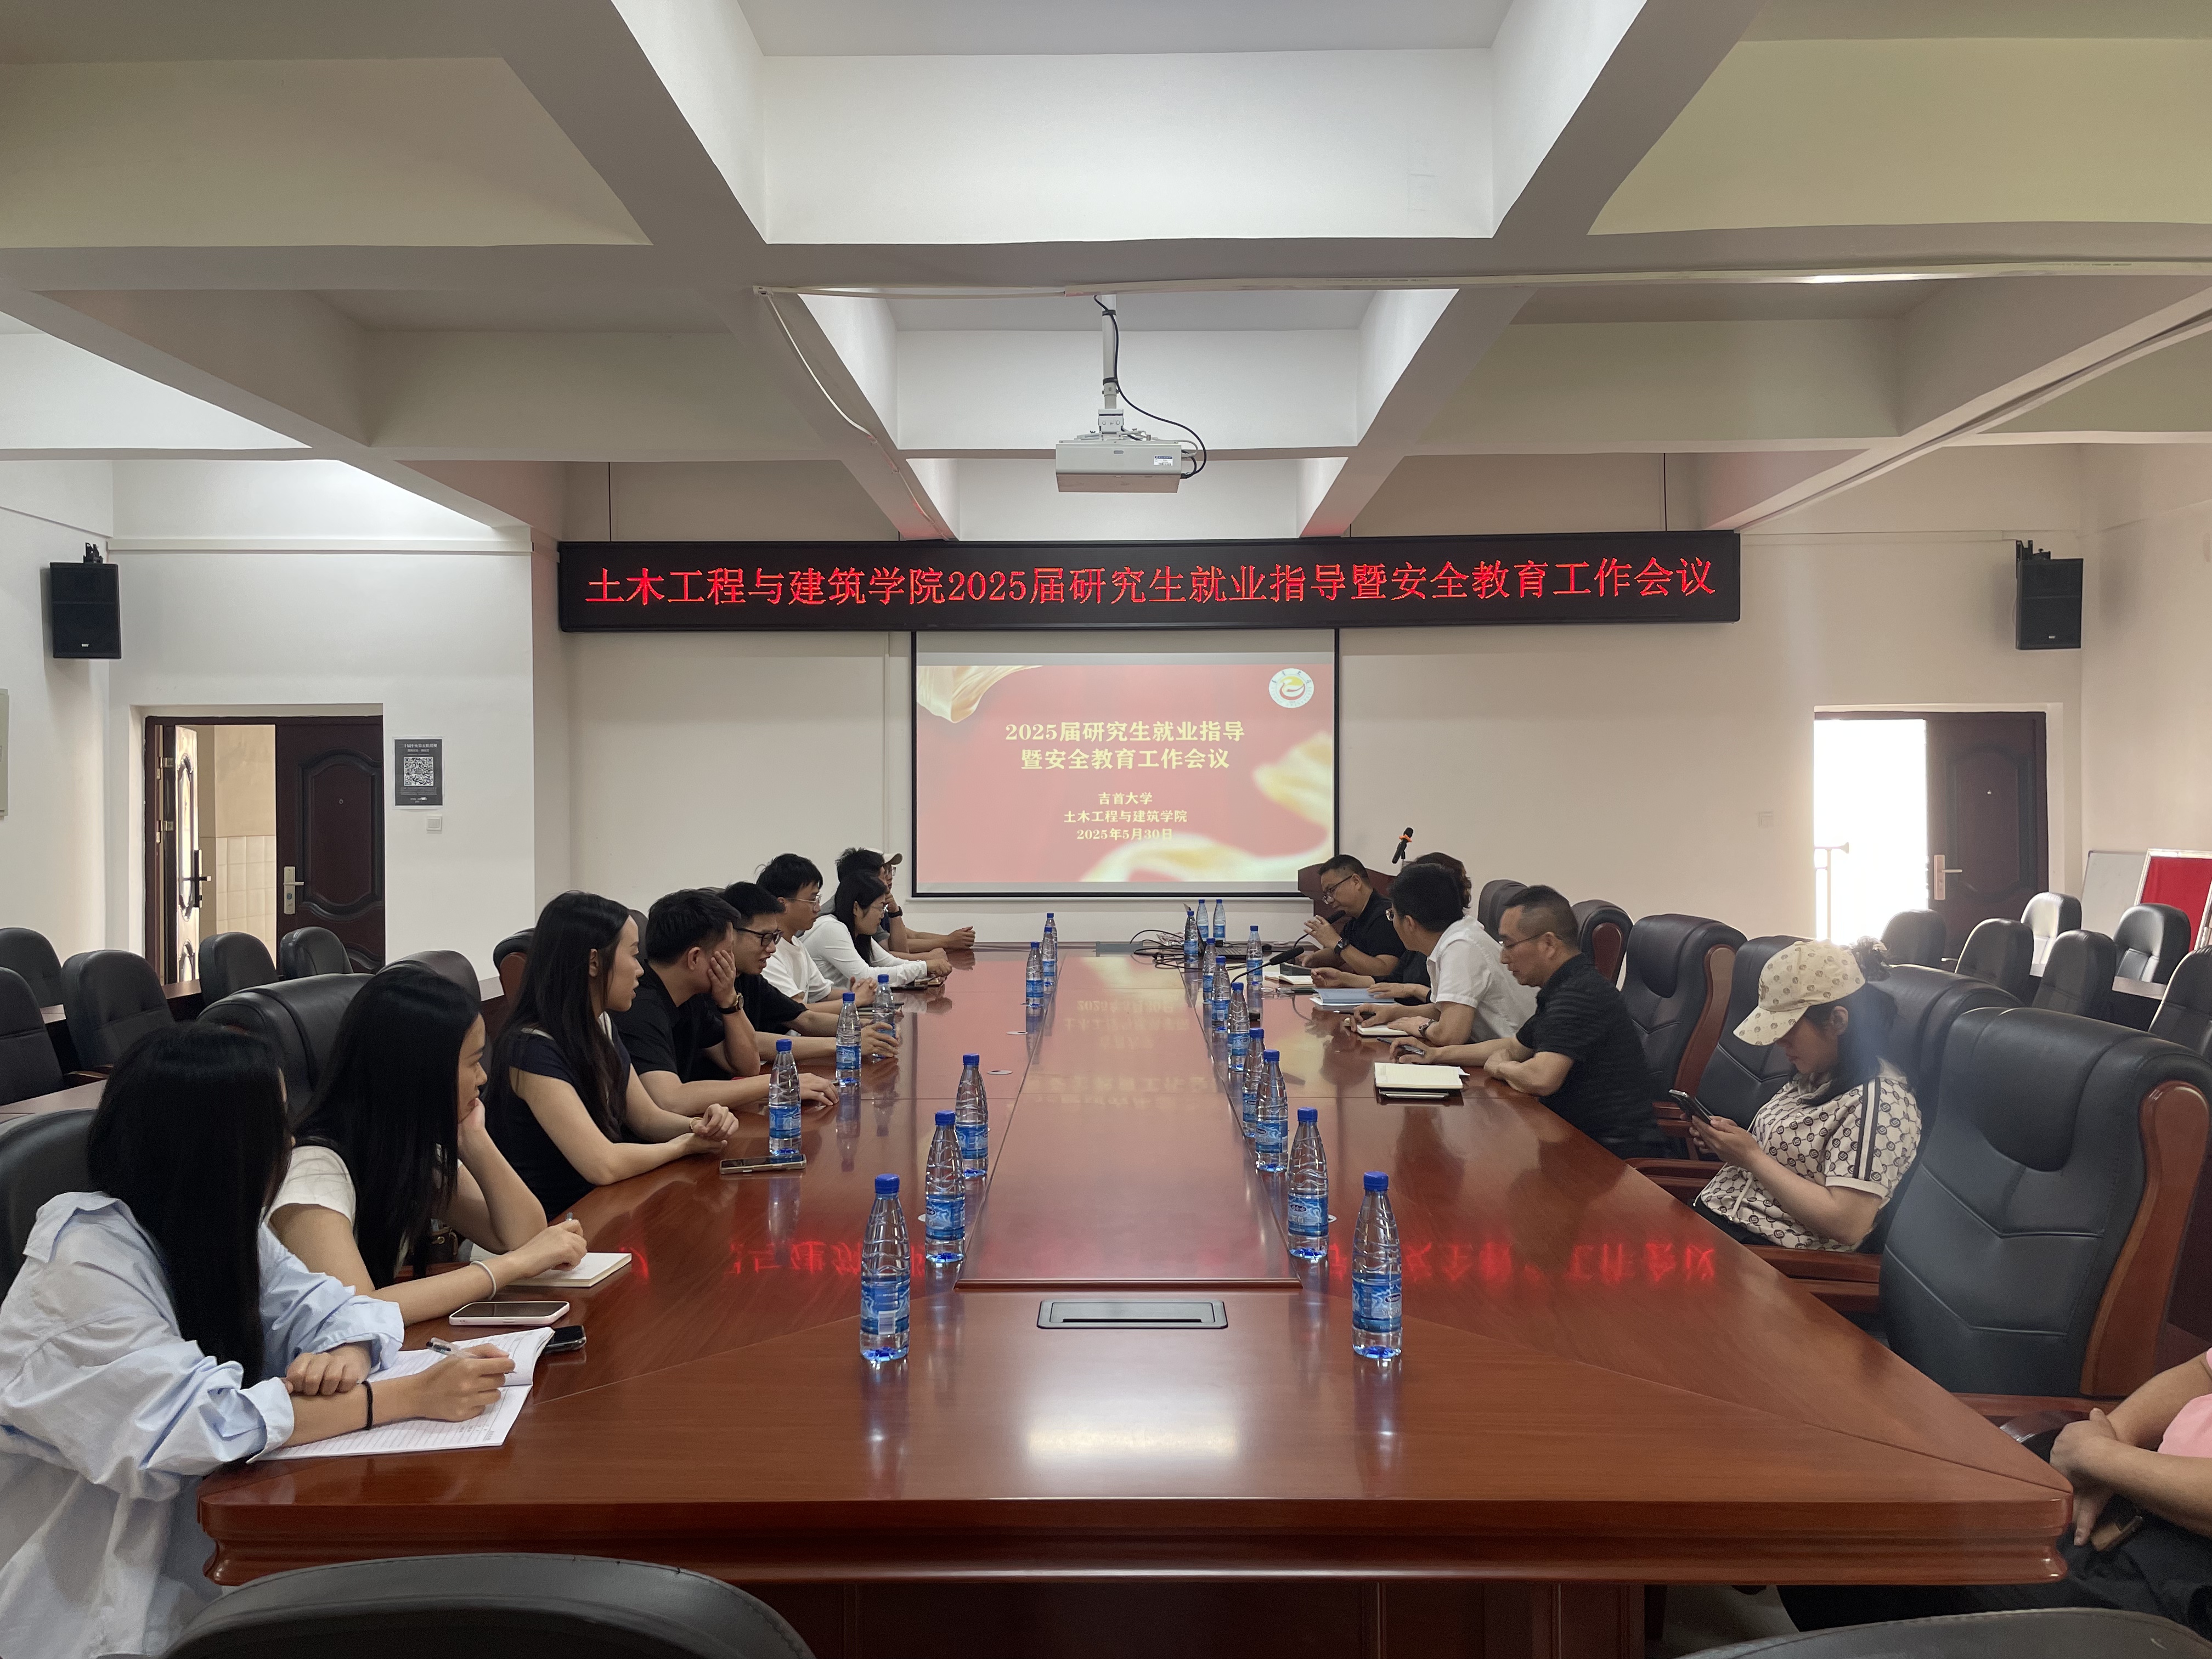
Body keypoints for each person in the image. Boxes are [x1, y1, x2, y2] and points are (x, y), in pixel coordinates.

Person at [0, 1025, 515, 1659]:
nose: (289, 1143)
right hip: (97, 1598)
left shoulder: (213, 1222)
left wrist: (344, 1356)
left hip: (214, 1543)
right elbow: (192, 1426)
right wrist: (404, 1397)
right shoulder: (80, 1267)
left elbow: (342, 1309)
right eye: (274, 1126)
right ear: (219, 1145)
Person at [1784, 1357, 2212, 1637]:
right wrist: (2112, 1434)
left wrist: (2095, 1455)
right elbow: (2203, 1371)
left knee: (1874, 1557)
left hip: (2185, 1574)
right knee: (1837, 1523)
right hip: (2122, 1488)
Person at [269, 967, 590, 1322]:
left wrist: (475, 1139)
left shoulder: (406, 1152)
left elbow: (523, 1237)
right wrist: (512, 1266)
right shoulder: (313, 1171)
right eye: (473, 1062)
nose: (483, 1076)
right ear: (422, 1073)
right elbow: (356, 1312)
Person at [486, 890, 739, 1215]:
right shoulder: (531, 1049)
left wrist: (697, 1126)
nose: (640, 970)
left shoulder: (600, 1022)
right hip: (553, 1224)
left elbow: (646, 1119)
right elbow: (602, 1165)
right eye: (633, 955)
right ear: (594, 962)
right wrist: (684, 1146)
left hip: (601, 1207)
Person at [1682, 938, 1919, 1252]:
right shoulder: (1817, 1074)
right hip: (1718, 1223)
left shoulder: (1880, 1104)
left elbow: (1848, 1223)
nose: (1777, 1040)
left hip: (1765, 1254)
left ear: (1838, 1021)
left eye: (1787, 1027)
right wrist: (1734, 1144)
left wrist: (1751, 1157)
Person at [1394, 884, 1663, 1158]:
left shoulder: (1580, 994)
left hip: (1611, 1156)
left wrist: (1502, 1067)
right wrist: (1436, 1056)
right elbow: (1515, 1046)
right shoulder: (1565, 986)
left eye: (1510, 945)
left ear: (1548, 944)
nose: (1503, 957)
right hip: (1569, 1137)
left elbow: (1541, 1078)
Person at [612, 888, 838, 1116]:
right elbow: (671, 1100)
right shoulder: (640, 1006)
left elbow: (747, 1066)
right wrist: (780, 1081)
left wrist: (730, 1001)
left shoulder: (693, 997)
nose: (732, 961)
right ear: (694, 958)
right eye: (728, 951)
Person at [1352, 859, 1535, 1047]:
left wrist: (1421, 1026)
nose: (1392, 922)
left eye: (1392, 915)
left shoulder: (1461, 947)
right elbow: (1443, 1010)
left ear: (1409, 923)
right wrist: (1395, 1013)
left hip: (1518, 1055)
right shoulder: (1454, 937)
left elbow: (1450, 1035)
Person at [721, 881, 895, 1066]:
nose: (772, 948)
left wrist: (868, 1027)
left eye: (774, 938)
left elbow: (805, 1019)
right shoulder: (710, 986)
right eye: (764, 938)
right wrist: (847, 1041)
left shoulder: (751, 979)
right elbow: (752, 1043)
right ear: (729, 934)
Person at [1314, 852, 1469, 1001]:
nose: (1394, 920)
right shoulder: (1419, 946)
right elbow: (1394, 980)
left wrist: (1400, 1008)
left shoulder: (1458, 946)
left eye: (1393, 914)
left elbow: (1441, 1011)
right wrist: (1343, 978)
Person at [757, 853, 876, 1017]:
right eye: (812, 900)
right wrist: (855, 1000)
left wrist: (860, 993)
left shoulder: (796, 944)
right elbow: (795, 1010)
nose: (818, 908)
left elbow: (823, 994)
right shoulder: (768, 953)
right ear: (782, 904)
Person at [805, 872, 943, 988]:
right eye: (880, 908)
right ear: (856, 908)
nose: (882, 915)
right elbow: (866, 977)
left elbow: (890, 962)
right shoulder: (831, 929)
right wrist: (924, 967)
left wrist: (926, 968)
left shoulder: (858, 932)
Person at [836, 847, 975, 956]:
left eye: (891, 871)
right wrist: (947, 943)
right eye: (885, 873)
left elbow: (911, 936)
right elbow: (888, 953)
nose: (889, 878)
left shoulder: (877, 907)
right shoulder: (844, 913)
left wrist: (952, 939)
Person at [1297, 854, 1402, 978]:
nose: (1330, 900)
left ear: (1356, 882)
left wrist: (1336, 941)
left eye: (1331, 890)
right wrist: (1312, 959)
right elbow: (1340, 955)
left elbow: (1384, 971)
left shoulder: (1385, 915)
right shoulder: (1356, 918)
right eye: (1326, 895)